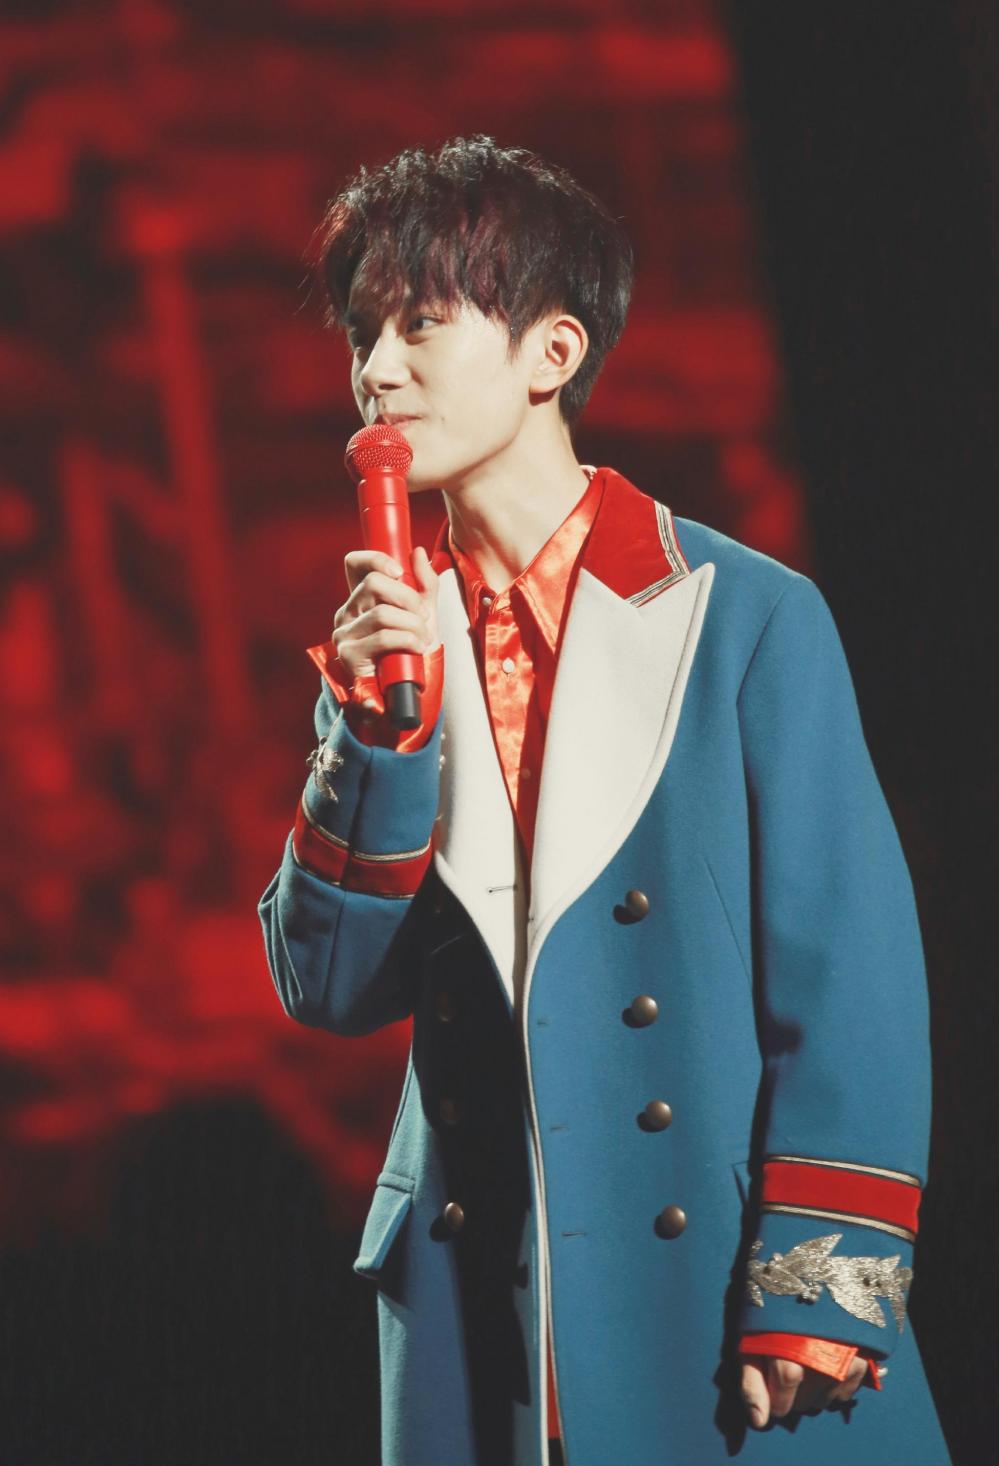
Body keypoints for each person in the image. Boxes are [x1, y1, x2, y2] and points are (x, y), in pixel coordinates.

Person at [257, 135, 950, 1466]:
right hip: (482, 1299)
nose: (375, 370)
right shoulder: (391, 646)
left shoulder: (741, 616)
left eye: (418, 323)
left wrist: (819, 1286)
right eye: (361, 333)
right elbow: (325, 986)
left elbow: (849, 969)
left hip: (713, 1292)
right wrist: (376, 737)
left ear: (552, 352)